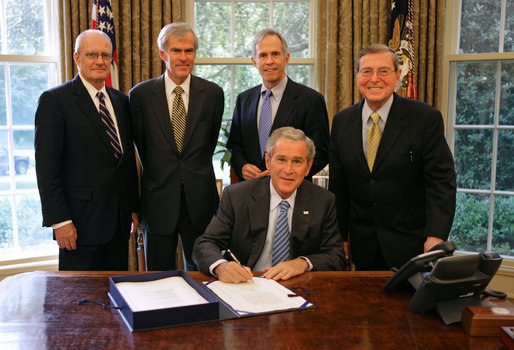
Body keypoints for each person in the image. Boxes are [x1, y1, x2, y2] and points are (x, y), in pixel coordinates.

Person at [329, 44, 456, 271]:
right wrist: (341, 238)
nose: (374, 78)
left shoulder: (425, 119)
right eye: (366, 71)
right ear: (357, 76)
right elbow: (339, 188)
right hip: (363, 247)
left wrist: (436, 235)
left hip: (413, 246)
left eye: (383, 71)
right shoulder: (342, 122)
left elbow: (441, 183)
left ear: (398, 76)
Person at [35, 29, 139, 270]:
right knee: (79, 300)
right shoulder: (55, 101)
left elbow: (124, 161)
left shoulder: (121, 101)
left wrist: (132, 207)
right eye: (92, 54)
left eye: (105, 55)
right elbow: (47, 167)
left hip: (118, 223)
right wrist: (60, 221)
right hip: (79, 224)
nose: (100, 61)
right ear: (77, 58)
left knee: (115, 295)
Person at [193, 127, 346, 283]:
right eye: (281, 159)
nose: (288, 170)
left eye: (297, 162)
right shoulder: (237, 196)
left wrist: (303, 263)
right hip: (247, 284)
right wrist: (222, 266)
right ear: (268, 162)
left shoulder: (323, 200)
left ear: (308, 167)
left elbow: (336, 256)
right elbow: (204, 244)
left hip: (298, 285)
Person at [129, 23, 224, 271]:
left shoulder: (213, 94)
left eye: (189, 50)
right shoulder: (140, 95)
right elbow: (140, 148)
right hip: (157, 202)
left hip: (201, 203)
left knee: (204, 274)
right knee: (158, 279)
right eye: (176, 50)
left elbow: (209, 143)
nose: (184, 57)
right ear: (163, 54)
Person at [227, 28, 329, 182]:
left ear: (286, 58)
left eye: (275, 54)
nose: (269, 61)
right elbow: (234, 145)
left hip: (293, 192)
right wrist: (242, 166)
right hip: (250, 193)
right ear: (254, 62)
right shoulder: (244, 100)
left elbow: (321, 152)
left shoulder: (311, 100)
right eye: (262, 55)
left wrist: (286, 174)